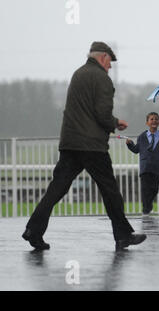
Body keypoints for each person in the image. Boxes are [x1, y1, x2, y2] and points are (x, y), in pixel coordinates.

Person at [22, 42, 146, 251]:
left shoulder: (77, 74)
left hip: (70, 143)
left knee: (56, 190)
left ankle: (33, 231)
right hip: (92, 146)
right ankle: (123, 236)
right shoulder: (102, 79)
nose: (110, 68)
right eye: (110, 64)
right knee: (110, 190)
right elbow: (101, 113)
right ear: (103, 58)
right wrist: (116, 123)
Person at [126, 112, 159, 216]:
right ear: (147, 123)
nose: (154, 121)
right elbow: (136, 150)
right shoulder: (142, 136)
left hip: (156, 167)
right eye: (151, 119)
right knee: (145, 189)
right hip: (145, 167)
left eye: (156, 119)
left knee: (154, 189)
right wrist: (130, 144)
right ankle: (146, 210)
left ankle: (148, 206)